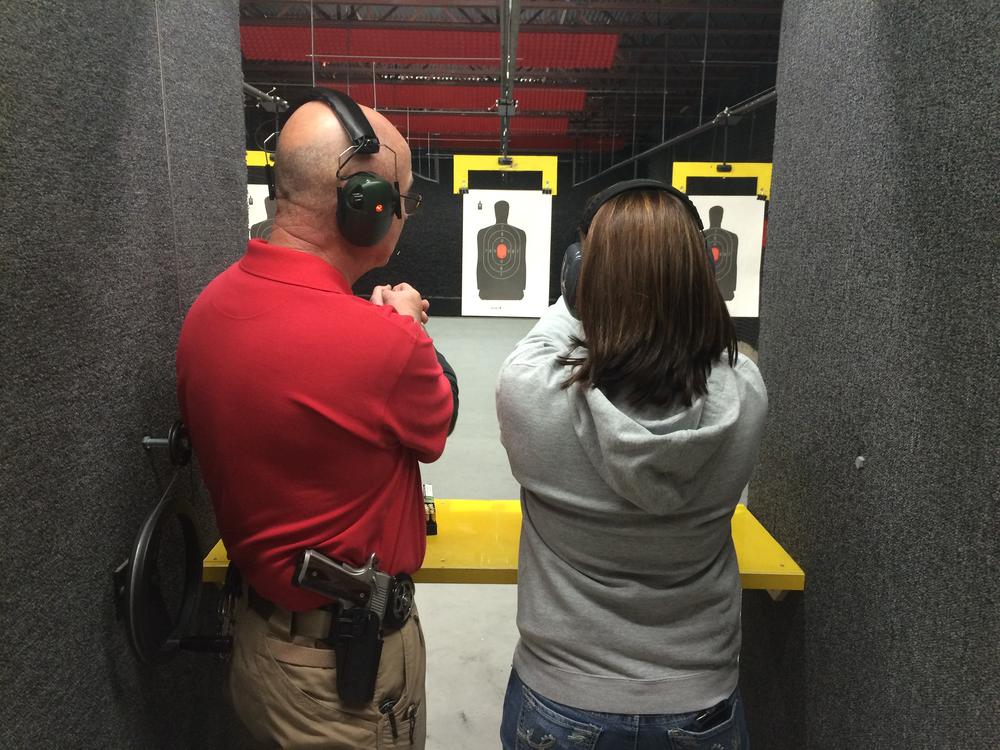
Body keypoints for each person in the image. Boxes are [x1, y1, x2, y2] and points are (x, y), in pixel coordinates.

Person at [176, 95, 458, 749]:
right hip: (341, 683)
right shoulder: (385, 344)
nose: (403, 215)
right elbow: (436, 424)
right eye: (402, 198)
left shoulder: (208, 309)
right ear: (366, 203)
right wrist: (406, 331)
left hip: (257, 651)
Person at [496, 183, 767, 749]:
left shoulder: (530, 393)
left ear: (583, 279)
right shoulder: (745, 394)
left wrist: (581, 295)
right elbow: (713, 349)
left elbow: (547, 343)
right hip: (699, 698)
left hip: (563, 692)